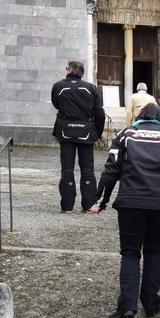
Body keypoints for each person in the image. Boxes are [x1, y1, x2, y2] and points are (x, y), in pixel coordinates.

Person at [91, 102, 160, 318]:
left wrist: (100, 201)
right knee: (153, 252)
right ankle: (150, 303)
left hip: (131, 203)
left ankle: (127, 305)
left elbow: (111, 170)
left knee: (130, 252)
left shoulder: (125, 135)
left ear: (140, 116)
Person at [51, 60, 105, 212]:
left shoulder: (58, 86)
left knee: (67, 169)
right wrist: (98, 133)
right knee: (87, 168)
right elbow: (99, 112)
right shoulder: (90, 88)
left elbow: (57, 104)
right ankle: (88, 204)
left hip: (65, 130)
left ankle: (67, 205)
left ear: (69, 70)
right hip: (86, 131)